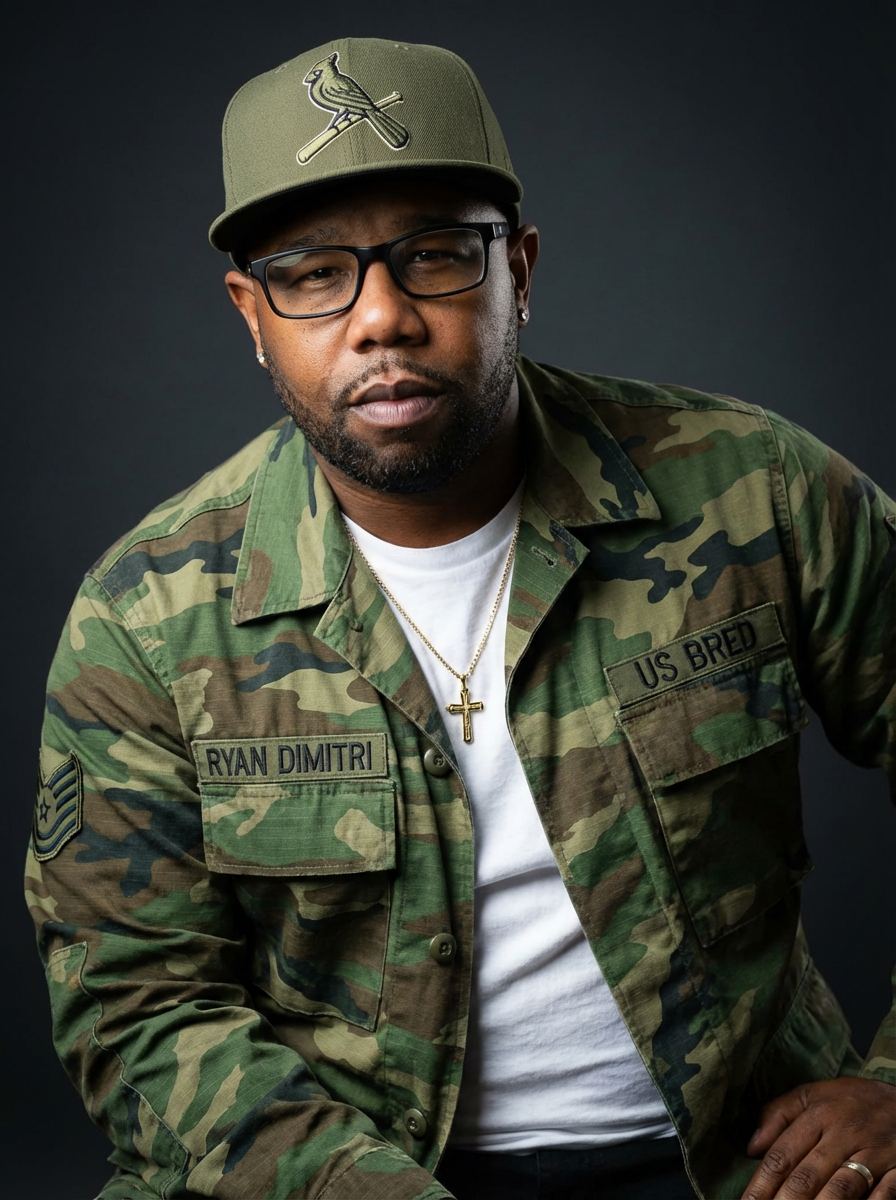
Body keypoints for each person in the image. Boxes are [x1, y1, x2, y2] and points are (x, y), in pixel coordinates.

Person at [26, 36, 894, 1200]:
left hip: (741, 1161)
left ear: (517, 271)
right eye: (312, 274)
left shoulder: (755, 492)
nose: (380, 318)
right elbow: (134, 1002)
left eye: (433, 255)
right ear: (251, 313)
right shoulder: (146, 615)